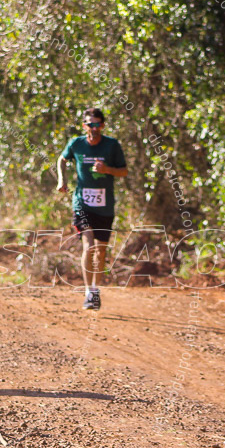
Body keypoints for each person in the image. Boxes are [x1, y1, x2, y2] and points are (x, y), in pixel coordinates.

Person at [56, 107, 128, 309]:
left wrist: (107, 170)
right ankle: (89, 292)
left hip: (105, 207)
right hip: (82, 204)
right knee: (89, 246)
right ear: (84, 126)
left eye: (97, 124)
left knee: (101, 252)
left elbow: (124, 171)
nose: (93, 128)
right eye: (89, 124)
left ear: (102, 125)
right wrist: (62, 180)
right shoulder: (77, 144)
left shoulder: (112, 146)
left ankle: (96, 288)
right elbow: (62, 159)